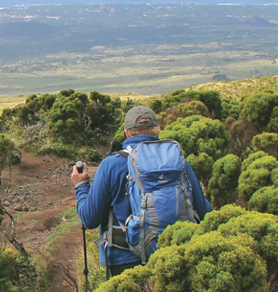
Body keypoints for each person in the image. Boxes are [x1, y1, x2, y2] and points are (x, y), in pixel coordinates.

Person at [71, 105, 212, 277]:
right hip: (175, 257)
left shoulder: (112, 164)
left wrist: (81, 186)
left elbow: (89, 218)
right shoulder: (179, 161)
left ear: (127, 133)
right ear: (157, 131)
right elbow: (205, 213)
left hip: (125, 263)